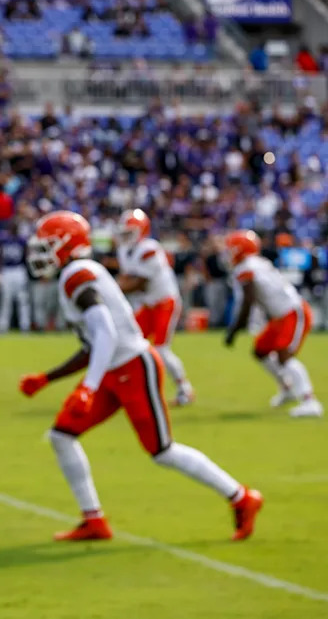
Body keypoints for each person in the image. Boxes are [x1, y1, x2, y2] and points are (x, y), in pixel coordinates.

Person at [18, 211, 263, 542]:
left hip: (133, 367)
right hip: (112, 368)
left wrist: (87, 389)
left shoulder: (77, 274)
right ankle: (94, 520)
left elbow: (105, 333)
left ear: (67, 245)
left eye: (46, 245)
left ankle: (242, 497)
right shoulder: (76, 274)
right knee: (62, 435)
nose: (39, 253)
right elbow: (95, 344)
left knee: (162, 451)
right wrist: (48, 378)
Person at [223, 230, 321, 418]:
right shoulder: (257, 263)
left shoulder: (247, 268)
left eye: (232, 249)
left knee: (284, 356)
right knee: (260, 350)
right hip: (280, 316)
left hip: (292, 312)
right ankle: (287, 388)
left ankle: (310, 402)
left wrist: (234, 330)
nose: (229, 253)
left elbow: (248, 301)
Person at [114, 209, 194, 405]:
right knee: (128, 341)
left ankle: (185, 389)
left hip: (164, 301)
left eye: (130, 232)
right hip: (148, 303)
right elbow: (126, 278)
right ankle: (129, 387)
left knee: (161, 348)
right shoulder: (125, 251)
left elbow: (140, 283)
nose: (126, 236)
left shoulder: (149, 248)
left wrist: (110, 291)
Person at [0, 223, 30, 332]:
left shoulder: (22, 240)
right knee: (6, 299)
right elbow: (0, 255)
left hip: (19, 269)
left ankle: (25, 325)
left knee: (22, 299)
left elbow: (26, 255)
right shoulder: (4, 239)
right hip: (7, 270)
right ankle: (3, 326)